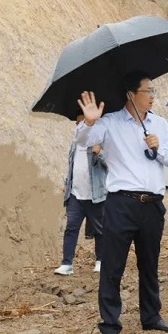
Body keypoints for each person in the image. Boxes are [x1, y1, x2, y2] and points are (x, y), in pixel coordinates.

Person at [76, 71, 168, 334]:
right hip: (121, 204)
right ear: (131, 94)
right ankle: (110, 327)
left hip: (153, 205)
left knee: (150, 264)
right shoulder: (109, 122)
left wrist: (159, 148)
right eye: (148, 91)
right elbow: (83, 141)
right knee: (112, 267)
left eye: (153, 91)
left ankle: (151, 316)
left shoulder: (159, 124)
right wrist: (89, 121)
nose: (153, 96)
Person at [54, 116, 107, 276]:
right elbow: (72, 167)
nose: (81, 126)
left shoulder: (99, 143)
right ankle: (67, 263)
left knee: (100, 230)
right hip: (75, 194)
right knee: (71, 228)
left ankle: (101, 261)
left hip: (95, 195)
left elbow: (111, 164)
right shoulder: (75, 144)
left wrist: (100, 153)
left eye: (84, 122)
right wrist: (68, 186)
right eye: (79, 123)